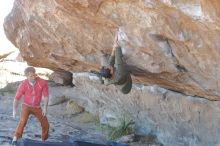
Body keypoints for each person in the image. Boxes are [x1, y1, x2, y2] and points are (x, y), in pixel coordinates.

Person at [11, 66, 49, 146]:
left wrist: (45, 108)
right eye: (30, 76)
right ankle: (15, 139)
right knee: (22, 122)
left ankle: (44, 141)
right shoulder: (23, 85)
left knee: (45, 124)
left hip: (37, 107)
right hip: (26, 106)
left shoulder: (42, 82)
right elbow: (16, 98)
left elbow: (46, 96)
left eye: (34, 75)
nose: (33, 77)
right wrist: (14, 110)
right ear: (26, 76)